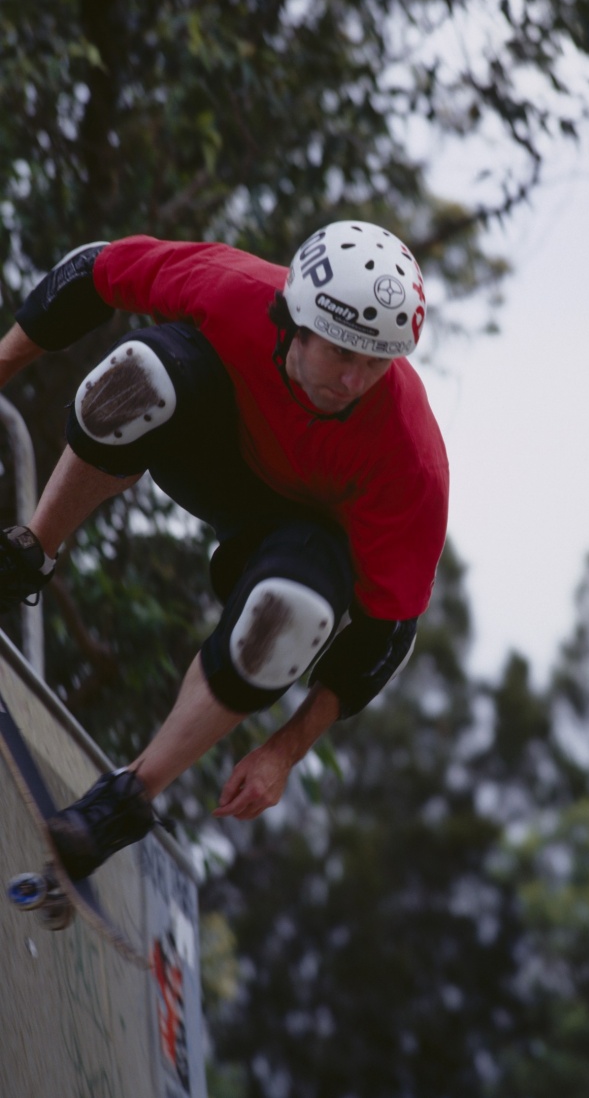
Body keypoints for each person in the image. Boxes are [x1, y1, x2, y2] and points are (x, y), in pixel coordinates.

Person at [0, 221, 449, 879]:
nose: (354, 382)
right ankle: (26, 554)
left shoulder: (410, 458)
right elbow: (95, 270)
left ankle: (127, 797)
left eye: (375, 363)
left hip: (287, 536)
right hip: (205, 439)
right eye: (341, 354)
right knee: (139, 375)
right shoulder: (234, 289)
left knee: (294, 614)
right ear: (298, 317)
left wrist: (284, 751)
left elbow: (388, 634)